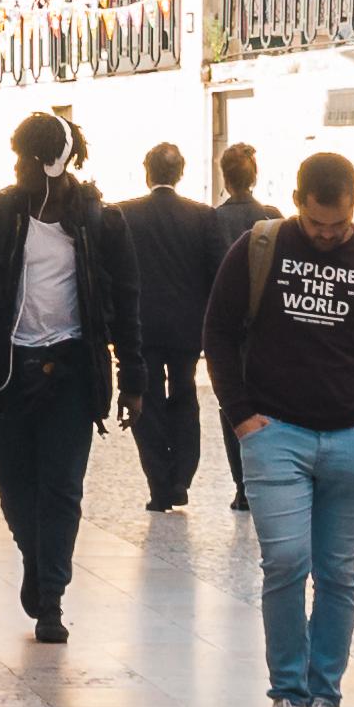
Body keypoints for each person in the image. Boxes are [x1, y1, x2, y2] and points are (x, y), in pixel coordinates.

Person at [207, 152, 354, 707]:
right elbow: (218, 331)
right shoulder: (260, 246)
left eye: (338, 224)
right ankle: (286, 698)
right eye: (318, 224)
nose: (328, 235)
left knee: (338, 574)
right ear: (298, 200)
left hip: (352, 438)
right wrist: (243, 417)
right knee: (286, 562)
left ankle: (324, 702)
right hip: (277, 437)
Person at [0, 110, 130, 642]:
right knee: (14, 484)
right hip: (8, 372)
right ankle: (35, 556)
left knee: (62, 487)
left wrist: (133, 380)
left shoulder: (96, 220)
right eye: (19, 154)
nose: (22, 165)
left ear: (59, 161)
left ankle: (51, 598)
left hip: (71, 369)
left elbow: (126, 301)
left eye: (33, 156)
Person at [109, 141, 226, 510]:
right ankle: (181, 478)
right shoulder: (203, 216)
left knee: (148, 402)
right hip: (187, 328)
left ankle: (159, 484)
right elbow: (217, 274)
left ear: (148, 172)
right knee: (185, 396)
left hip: (140, 325)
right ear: (180, 173)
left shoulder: (124, 214)